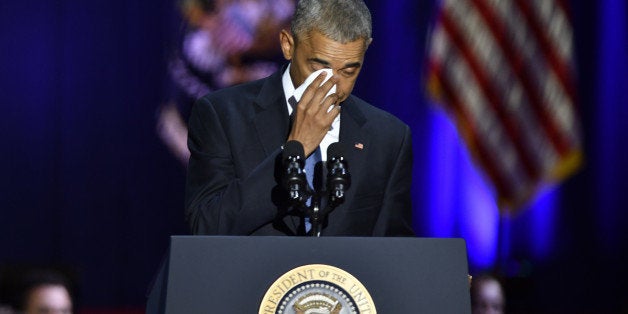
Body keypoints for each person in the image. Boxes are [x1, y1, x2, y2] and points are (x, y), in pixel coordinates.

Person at [185, 0, 414, 236]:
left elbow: (394, 252)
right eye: (319, 67)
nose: (331, 85)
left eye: (348, 71)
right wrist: (297, 148)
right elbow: (207, 225)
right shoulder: (222, 115)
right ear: (288, 45)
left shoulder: (388, 137)